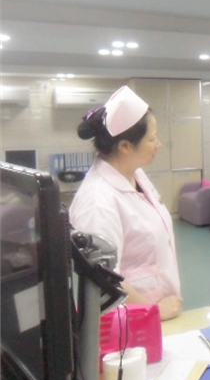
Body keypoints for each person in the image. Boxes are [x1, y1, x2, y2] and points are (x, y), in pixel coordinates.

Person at [69, 86, 182, 320]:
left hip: (157, 309)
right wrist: (154, 311)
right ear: (125, 147)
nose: (159, 144)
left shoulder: (135, 174)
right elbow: (102, 278)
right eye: (152, 138)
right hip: (129, 322)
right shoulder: (97, 202)